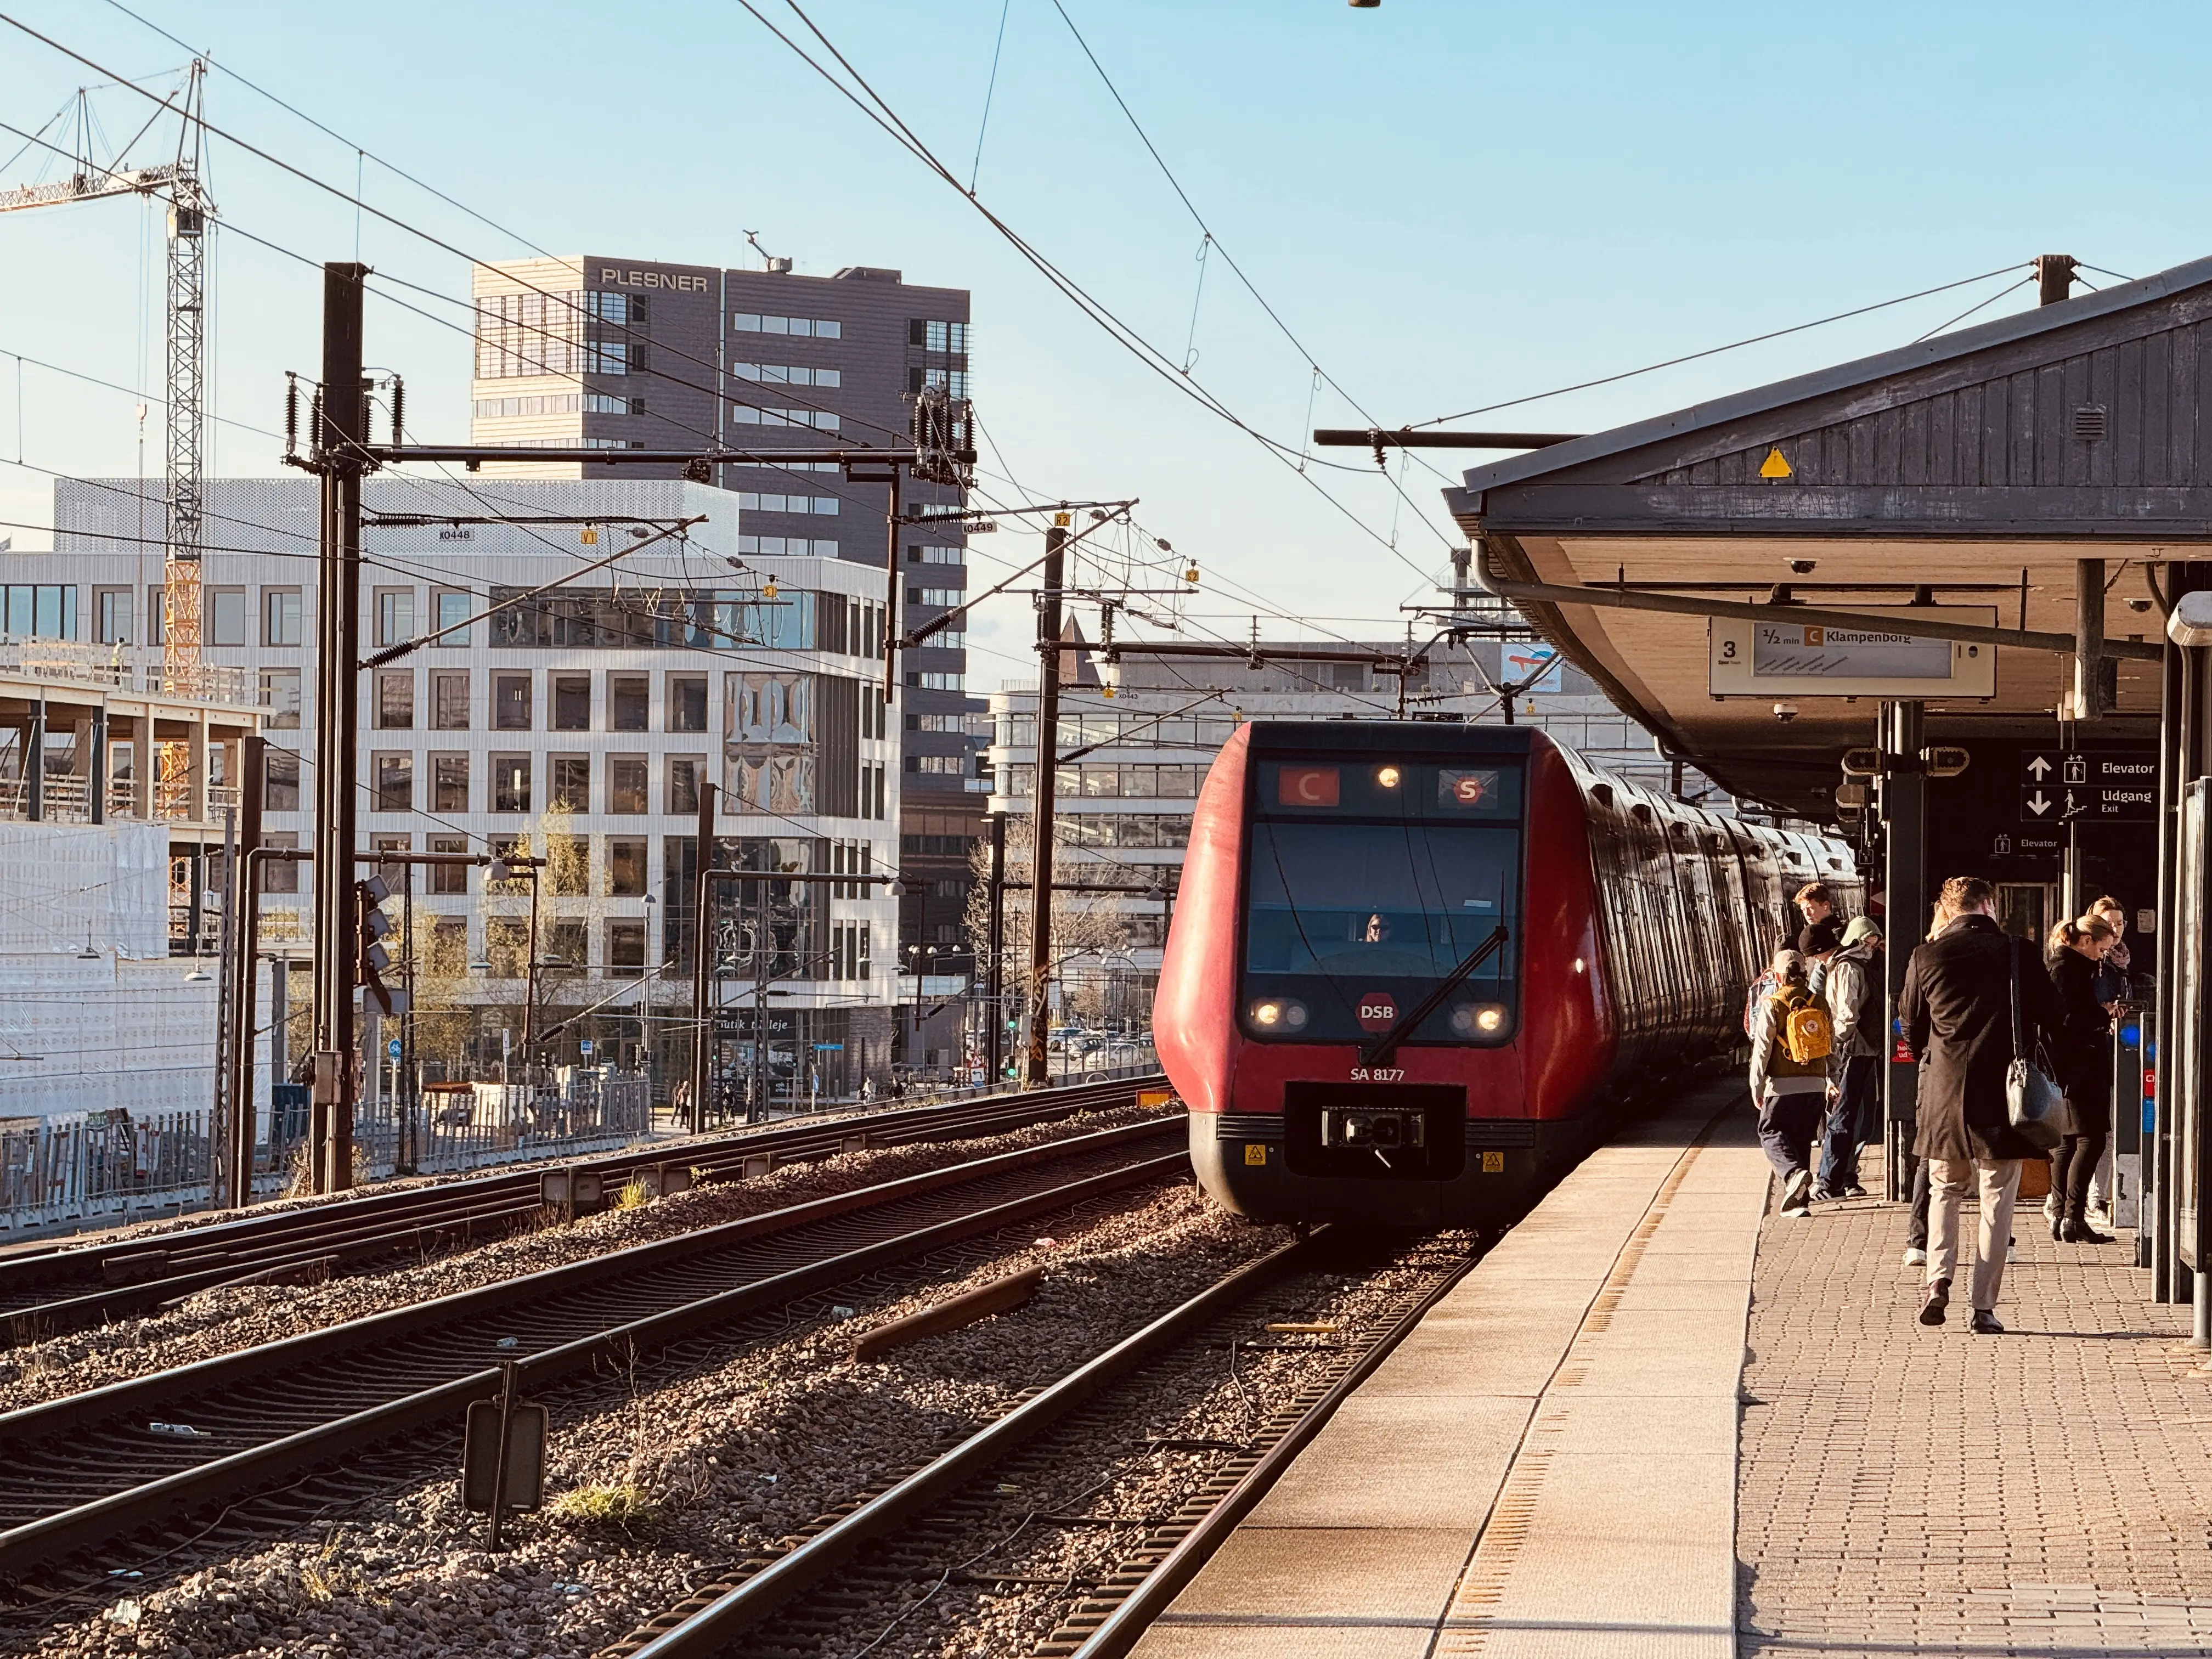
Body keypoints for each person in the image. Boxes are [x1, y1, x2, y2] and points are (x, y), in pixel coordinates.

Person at [1900, 876, 2067, 1334]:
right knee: (1997, 1199)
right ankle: (1983, 1308)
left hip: (1946, 1094)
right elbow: (2054, 1014)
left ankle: (1938, 1282)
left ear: (1950, 911)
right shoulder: (2019, 952)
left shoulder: (1925, 956)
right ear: (1989, 906)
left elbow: (1912, 1029)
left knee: (1945, 1191)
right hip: (2005, 1094)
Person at [2047, 914, 2119, 1243]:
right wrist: (2101, 1015)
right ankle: (2073, 1217)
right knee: (2092, 1138)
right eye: (2101, 949)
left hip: (2069, 1065)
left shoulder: (2065, 966)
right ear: (2086, 941)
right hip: (2079, 1063)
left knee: (2068, 1140)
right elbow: (2065, 1017)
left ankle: (2062, 1215)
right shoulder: (2067, 969)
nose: (2101, 956)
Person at [1749, 949, 1833, 1218]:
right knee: (1801, 1139)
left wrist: (1757, 1085)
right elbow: (1830, 1044)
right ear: (1804, 973)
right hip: (1816, 1085)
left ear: (1777, 975)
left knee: (1770, 1131)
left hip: (1782, 1085)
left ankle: (1794, 1174)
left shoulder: (1773, 1003)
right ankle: (1800, 1204)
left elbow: (1762, 1049)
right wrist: (1831, 1079)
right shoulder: (1819, 1002)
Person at [1815, 915, 1884, 1200]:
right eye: (1870, 941)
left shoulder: (1846, 968)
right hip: (1862, 1049)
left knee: (1841, 1116)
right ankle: (1838, 1178)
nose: (1873, 947)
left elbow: (1845, 1016)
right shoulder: (1856, 966)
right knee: (1848, 1115)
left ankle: (1828, 1181)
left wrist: (1832, 1047)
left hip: (1851, 1052)